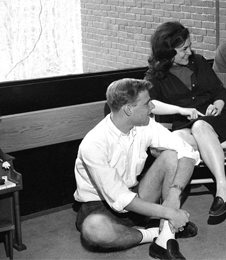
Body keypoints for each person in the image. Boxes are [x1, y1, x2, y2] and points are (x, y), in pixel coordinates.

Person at [73, 78, 201, 260]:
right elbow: (120, 199)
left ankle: (164, 240)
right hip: (98, 205)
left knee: (171, 155)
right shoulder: (94, 144)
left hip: (136, 195)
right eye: (147, 103)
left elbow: (187, 152)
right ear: (128, 109)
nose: (152, 107)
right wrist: (170, 212)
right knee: (93, 228)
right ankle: (154, 233)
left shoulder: (144, 125)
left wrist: (173, 195)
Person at [145, 21, 226, 224]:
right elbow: (150, 103)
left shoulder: (199, 62)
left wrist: (218, 105)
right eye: (184, 49)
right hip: (183, 125)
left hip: (214, 120)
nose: (189, 52)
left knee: (200, 126)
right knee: (176, 140)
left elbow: (219, 91)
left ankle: (223, 187)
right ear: (167, 52)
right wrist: (180, 110)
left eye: (190, 46)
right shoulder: (155, 75)